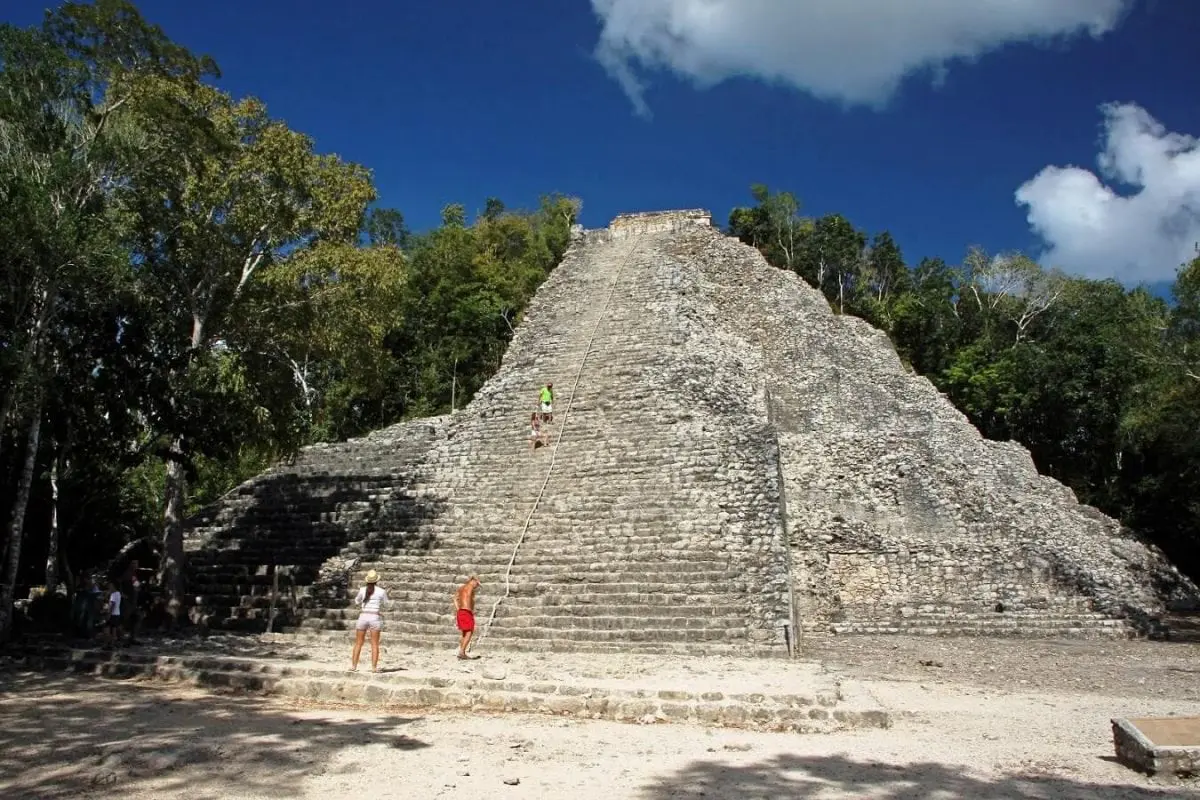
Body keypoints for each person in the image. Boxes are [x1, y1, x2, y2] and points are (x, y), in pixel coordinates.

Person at [351, 569, 388, 673]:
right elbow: (386, 604)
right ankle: (374, 667)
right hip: (374, 617)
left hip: (363, 616)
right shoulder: (381, 591)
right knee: (374, 644)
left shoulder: (362, 590)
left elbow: (357, 601)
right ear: (377, 581)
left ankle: (354, 666)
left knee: (358, 643)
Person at [454, 576, 481, 660]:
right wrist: (469, 608)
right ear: (474, 580)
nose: (477, 586)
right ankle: (462, 652)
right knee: (469, 631)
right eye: (477, 584)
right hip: (466, 611)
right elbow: (469, 597)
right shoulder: (470, 587)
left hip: (461, 611)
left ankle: (461, 651)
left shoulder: (461, 588)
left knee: (464, 633)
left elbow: (455, 598)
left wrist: (458, 609)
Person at [104, 581, 122, 646]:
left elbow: (112, 605)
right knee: (113, 629)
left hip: (112, 614)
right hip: (117, 614)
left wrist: (108, 614)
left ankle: (108, 644)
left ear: (113, 586)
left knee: (107, 630)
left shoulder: (113, 594)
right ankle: (112, 644)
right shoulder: (118, 593)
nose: (109, 587)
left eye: (110, 585)